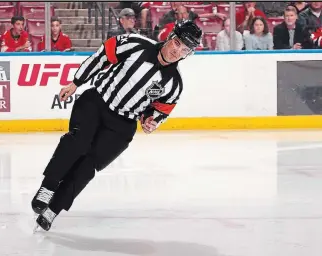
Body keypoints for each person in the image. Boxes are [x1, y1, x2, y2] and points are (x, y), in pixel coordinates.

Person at [31, 20, 203, 232]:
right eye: (177, 43)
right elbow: (102, 56)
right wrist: (76, 82)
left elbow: (160, 110)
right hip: (96, 102)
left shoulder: (174, 84)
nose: (178, 51)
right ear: (169, 37)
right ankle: (47, 187)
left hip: (122, 126)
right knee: (78, 142)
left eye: (185, 50)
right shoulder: (135, 44)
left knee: (87, 168)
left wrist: (151, 120)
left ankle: (52, 210)